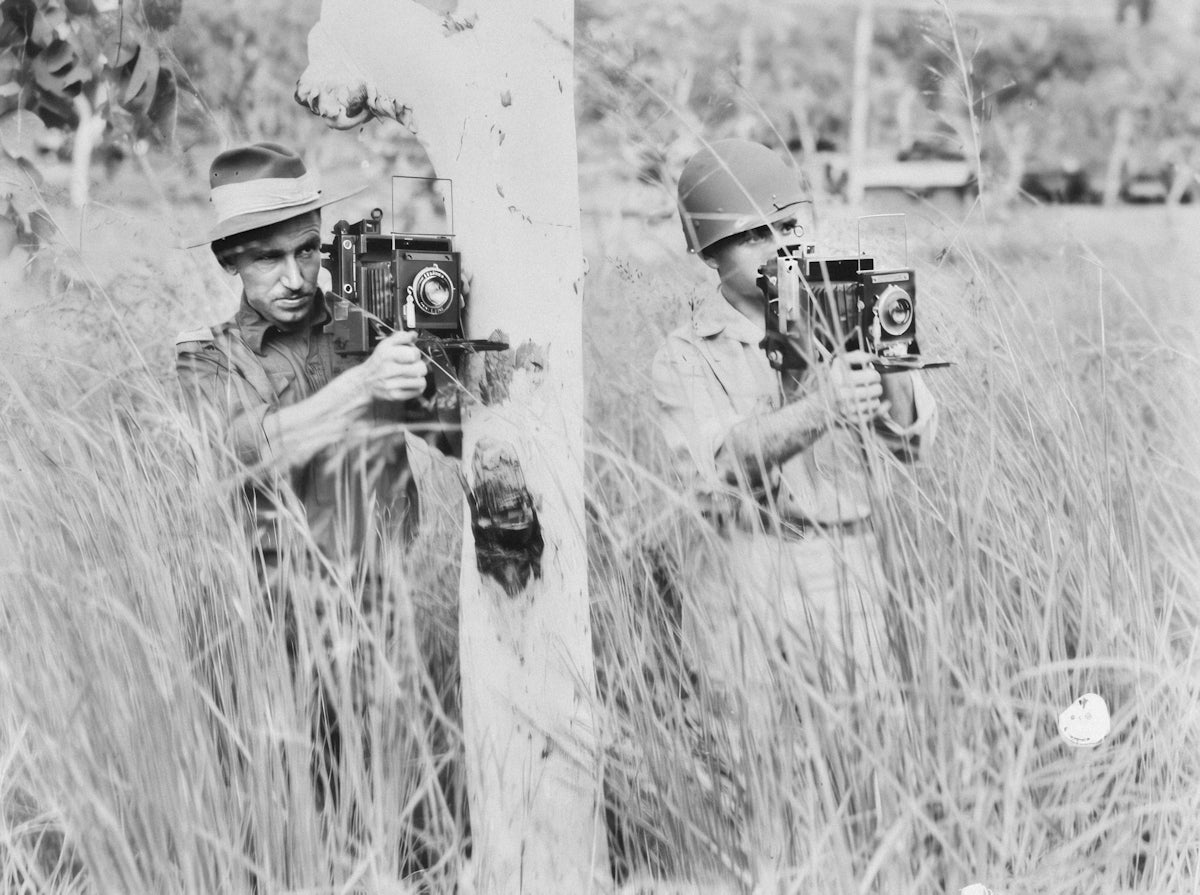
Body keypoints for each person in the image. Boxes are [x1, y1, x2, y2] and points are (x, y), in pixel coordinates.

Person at [651, 138, 938, 870]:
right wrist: (821, 406)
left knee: (867, 768)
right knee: (753, 779)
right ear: (709, 253)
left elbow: (910, 440)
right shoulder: (687, 352)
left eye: (785, 228)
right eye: (750, 236)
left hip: (844, 563)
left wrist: (886, 352)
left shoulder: (846, 307)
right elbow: (718, 468)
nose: (777, 248)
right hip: (743, 568)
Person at [175, 142, 433, 826]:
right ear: (229, 259)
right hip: (269, 624)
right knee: (286, 811)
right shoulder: (208, 358)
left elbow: (457, 434)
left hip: (383, 611)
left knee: (386, 809)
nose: (295, 277)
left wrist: (439, 351)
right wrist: (365, 384)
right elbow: (248, 452)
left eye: (308, 251)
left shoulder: (371, 322)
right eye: (268, 258)